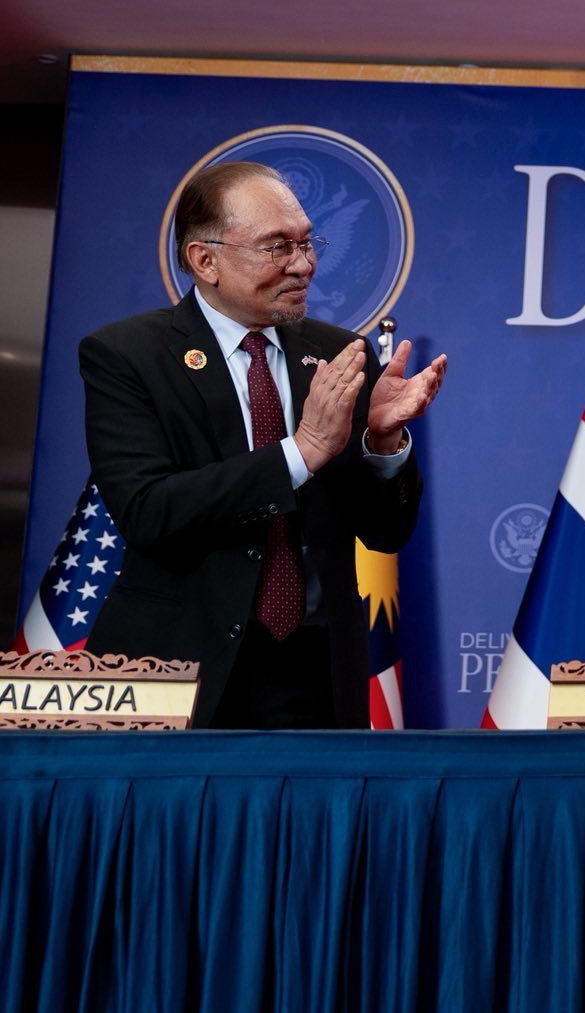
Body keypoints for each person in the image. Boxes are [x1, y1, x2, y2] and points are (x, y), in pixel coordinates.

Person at [81, 160, 447, 728]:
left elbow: (386, 532)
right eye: (277, 247)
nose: (303, 265)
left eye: (306, 243)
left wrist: (382, 442)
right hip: (181, 667)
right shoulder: (127, 356)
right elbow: (148, 511)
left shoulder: (339, 353)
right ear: (205, 260)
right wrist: (299, 453)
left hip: (319, 669)